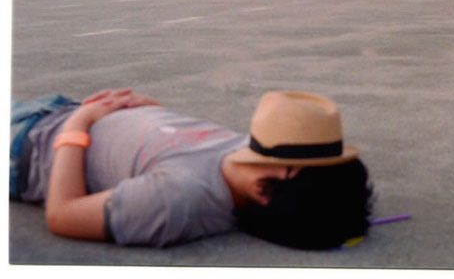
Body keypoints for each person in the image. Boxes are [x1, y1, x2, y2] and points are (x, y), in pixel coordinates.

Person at [10, 89, 373, 249]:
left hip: (28, 143)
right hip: (59, 109)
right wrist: (152, 109)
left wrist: (80, 123)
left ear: (265, 191)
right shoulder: (256, 153)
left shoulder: (176, 202)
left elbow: (62, 214)